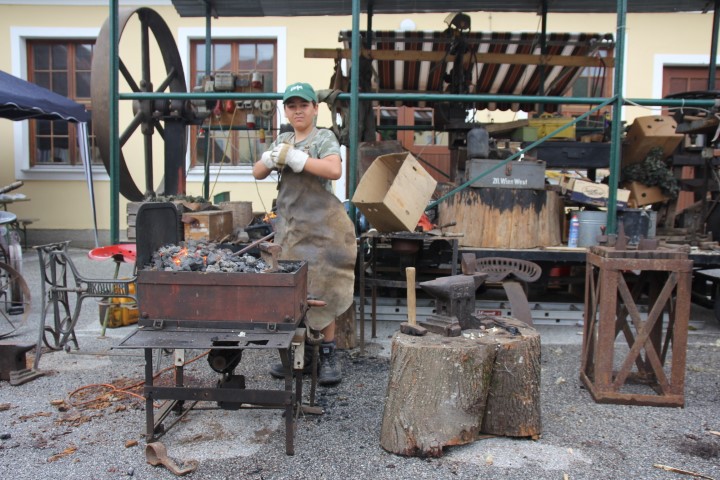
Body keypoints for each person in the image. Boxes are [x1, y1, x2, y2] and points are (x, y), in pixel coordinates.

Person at [253, 82, 356, 386]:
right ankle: (299, 355)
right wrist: (271, 159)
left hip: (322, 231)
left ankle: (327, 354)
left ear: (315, 108)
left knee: (323, 292)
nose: (298, 111)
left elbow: (334, 170)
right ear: (286, 110)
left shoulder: (323, 138)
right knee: (293, 293)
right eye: (292, 106)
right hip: (291, 229)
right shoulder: (283, 138)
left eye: (303, 105)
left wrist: (298, 159)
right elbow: (257, 172)